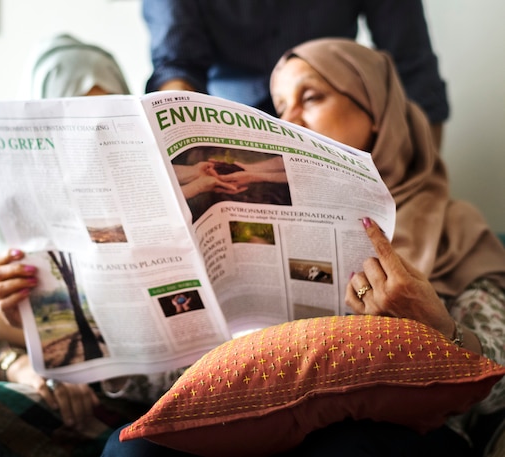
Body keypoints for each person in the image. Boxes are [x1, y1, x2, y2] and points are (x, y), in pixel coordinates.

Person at [99, 38, 505, 456]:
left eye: (310, 96)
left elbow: (499, 384)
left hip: (388, 431)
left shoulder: (453, 224)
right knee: (132, 448)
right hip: (258, 424)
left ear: (376, 110)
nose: (290, 119)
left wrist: (440, 331)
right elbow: (185, 377)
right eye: (280, 107)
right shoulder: (248, 215)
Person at [0, 33, 131, 434]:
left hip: (126, 395)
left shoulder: (144, 201)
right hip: (24, 385)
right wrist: (24, 367)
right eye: (70, 118)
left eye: (102, 118)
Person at [142, 0, 449, 149]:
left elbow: (412, 67)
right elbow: (177, 66)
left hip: (339, 143)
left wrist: (423, 184)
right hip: (235, 140)